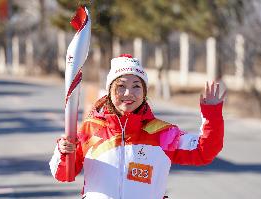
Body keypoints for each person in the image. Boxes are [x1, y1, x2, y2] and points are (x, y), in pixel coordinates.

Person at [49, 54, 226, 199]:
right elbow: (64, 175)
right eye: (121, 86)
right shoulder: (91, 129)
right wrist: (64, 152)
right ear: (110, 92)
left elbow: (205, 151)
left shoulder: (163, 133)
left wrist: (212, 113)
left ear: (144, 92)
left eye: (136, 86)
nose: (128, 93)